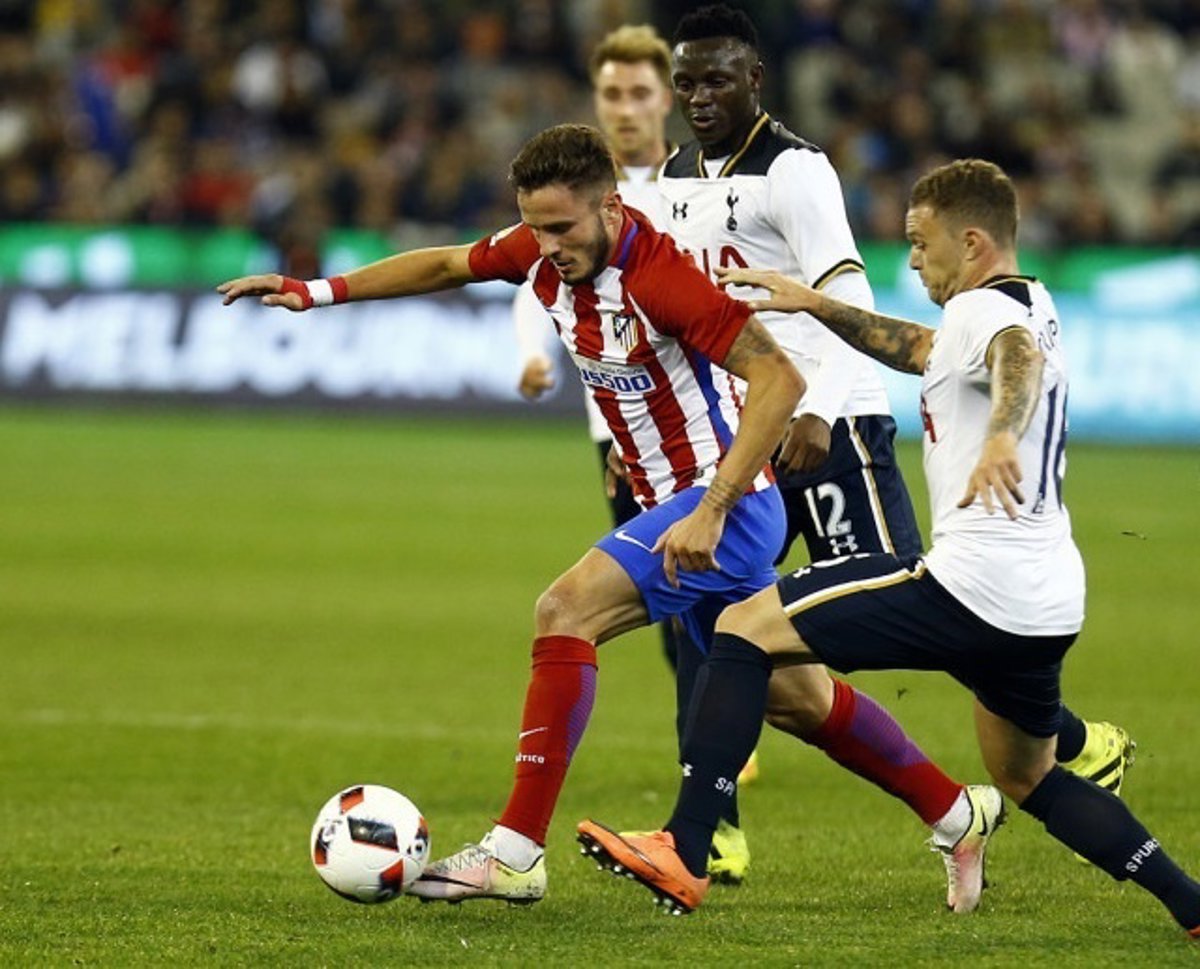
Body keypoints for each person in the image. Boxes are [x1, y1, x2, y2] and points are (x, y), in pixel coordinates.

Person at [218, 125, 998, 912]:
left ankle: (515, 852)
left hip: (726, 507)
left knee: (565, 610)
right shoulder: (538, 248)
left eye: (563, 227)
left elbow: (778, 379)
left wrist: (713, 507)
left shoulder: (662, 275)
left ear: (611, 207)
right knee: (798, 699)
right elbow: (448, 264)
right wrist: (317, 292)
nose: (548, 245)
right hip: (679, 503)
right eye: (536, 226)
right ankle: (956, 812)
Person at [577, 158, 1200, 939]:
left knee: (743, 626)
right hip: (1046, 601)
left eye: (920, 242)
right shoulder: (1029, 298)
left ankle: (687, 844)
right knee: (1027, 773)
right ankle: (1191, 902)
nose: (911, 261)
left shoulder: (990, 314)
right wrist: (814, 303)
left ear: (971, 243)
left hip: (968, 586)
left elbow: (1016, 358)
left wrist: (1001, 435)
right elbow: (920, 348)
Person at [652, 2, 1133, 879]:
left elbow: (849, 289)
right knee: (716, 614)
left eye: (715, 78)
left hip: (828, 427)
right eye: (684, 82)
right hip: (743, 429)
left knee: (929, 607)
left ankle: (1063, 740)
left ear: (754, 78)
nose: (698, 96)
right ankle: (714, 825)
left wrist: (822, 407)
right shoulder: (672, 175)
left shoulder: (794, 169)